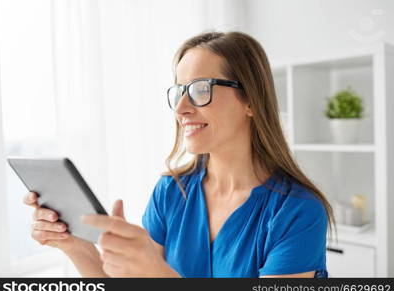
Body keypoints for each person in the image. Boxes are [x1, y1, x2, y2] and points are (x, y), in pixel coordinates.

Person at [23, 31, 335, 278]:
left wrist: (157, 276)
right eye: (179, 92)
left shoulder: (298, 211)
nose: (182, 108)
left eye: (201, 90)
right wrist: (75, 246)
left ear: (250, 100)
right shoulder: (172, 191)